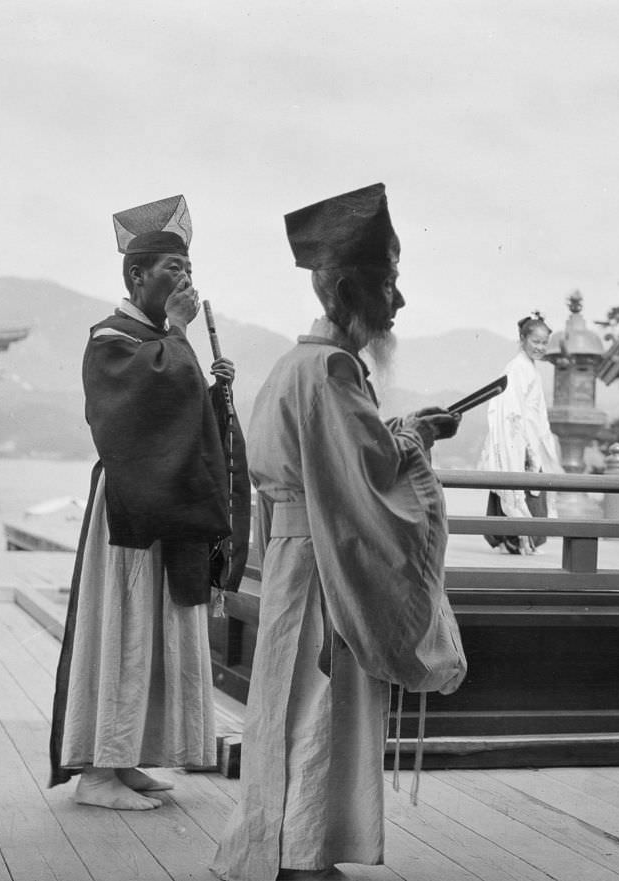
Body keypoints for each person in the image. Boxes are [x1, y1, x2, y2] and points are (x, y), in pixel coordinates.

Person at [213, 183, 467, 881]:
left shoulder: (297, 366)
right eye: (388, 283)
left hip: (299, 551)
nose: (399, 302)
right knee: (319, 702)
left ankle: (278, 844)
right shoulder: (330, 370)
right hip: (328, 557)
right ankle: (299, 855)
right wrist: (415, 436)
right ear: (355, 292)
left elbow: (338, 459)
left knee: (287, 700)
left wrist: (400, 436)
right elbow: (370, 477)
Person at [49, 194, 248, 809]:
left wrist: (213, 393)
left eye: (189, 272)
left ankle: (130, 757)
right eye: (172, 271)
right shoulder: (111, 338)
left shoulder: (160, 339)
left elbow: (186, 421)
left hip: (169, 509)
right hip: (130, 512)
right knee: (125, 631)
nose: (185, 282)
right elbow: (139, 412)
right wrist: (183, 343)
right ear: (137, 275)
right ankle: (98, 773)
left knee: (154, 633)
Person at [478, 311, 563, 554]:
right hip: (518, 437)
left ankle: (515, 540)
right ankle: (515, 540)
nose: (540, 347)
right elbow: (511, 410)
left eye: (544, 343)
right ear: (523, 339)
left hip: (530, 436)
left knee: (530, 490)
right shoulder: (516, 368)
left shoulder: (529, 368)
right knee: (522, 487)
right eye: (535, 341)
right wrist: (522, 444)